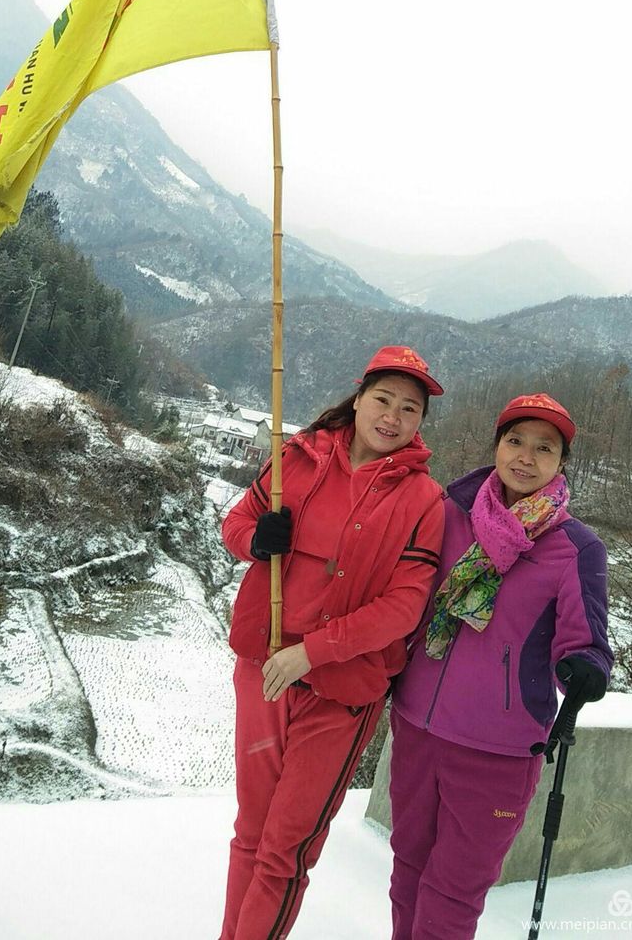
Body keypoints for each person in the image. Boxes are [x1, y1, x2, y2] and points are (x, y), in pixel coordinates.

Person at [218, 345, 446, 940]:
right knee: (251, 831)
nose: (393, 417)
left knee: (284, 848)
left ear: (421, 422)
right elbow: (236, 522)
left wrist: (313, 652)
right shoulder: (295, 457)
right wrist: (255, 541)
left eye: (410, 409)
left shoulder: (424, 501)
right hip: (264, 668)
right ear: (359, 396)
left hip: (339, 689)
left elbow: (404, 606)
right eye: (383, 400)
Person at [389, 392, 613, 939]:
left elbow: (587, 642)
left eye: (545, 447)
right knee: (407, 876)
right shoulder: (448, 515)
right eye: (515, 440)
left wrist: (584, 669)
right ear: (496, 446)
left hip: (499, 750)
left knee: (452, 897)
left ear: (561, 464)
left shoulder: (576, 549)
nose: (526, 456)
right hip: (416, 726)